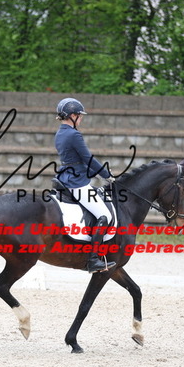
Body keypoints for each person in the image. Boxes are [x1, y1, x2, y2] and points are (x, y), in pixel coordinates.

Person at [54, 98, 116, 273]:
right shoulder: (74, 135)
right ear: (72, 116)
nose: (81, 119)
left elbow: (77, 160)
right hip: (76, 183)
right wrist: (107, 175)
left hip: (66, 177)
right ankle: (93, 259)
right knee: (104, 215)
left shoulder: (60, 133)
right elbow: (88, 159)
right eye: (79, 116)